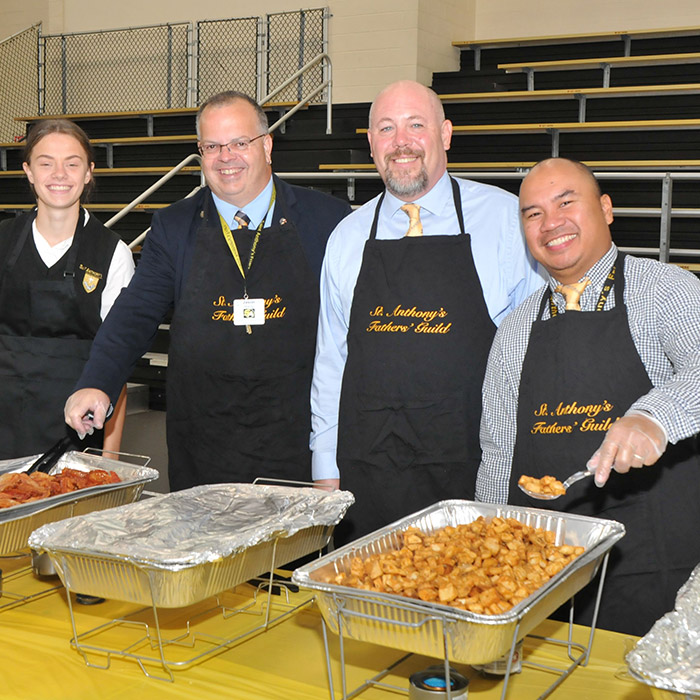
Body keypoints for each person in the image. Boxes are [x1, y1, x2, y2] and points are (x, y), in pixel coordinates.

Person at [64, 91, 351, 491]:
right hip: (204, 445)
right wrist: (97, 380)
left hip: (297, 441)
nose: (225, 156)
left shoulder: (329, 220)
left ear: (266, 145)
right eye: (212, 146)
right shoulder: (174, 226)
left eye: (239, 143)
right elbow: (136, 312)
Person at [311, 80, 543, 542]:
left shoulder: (505, 221)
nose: (401, 142)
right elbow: (331, 362)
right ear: (372, 143)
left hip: (474, 474)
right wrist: (324, 465)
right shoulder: (347, 236)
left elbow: (536, 356)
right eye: (386, 128)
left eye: (416, 125)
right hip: (369, 476)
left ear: (446, 134)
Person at [476, 157, 700, 636]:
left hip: (654, 564)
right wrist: (487, 552)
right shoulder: (514, 332)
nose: (550, 223)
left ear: (606, 208)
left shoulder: (666, 291)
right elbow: (498, 454)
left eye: (565, 202)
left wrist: (652, 418)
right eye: (533, 213)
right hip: (547, 574)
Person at [0, 119, 133, 460]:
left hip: (76, 440)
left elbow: (118, 363)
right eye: (46, 163)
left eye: (72, 164)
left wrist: (111, 459)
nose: (59, 174)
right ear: (29, 171)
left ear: (88, 172)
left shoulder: (112, 253)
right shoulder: (3, 240)